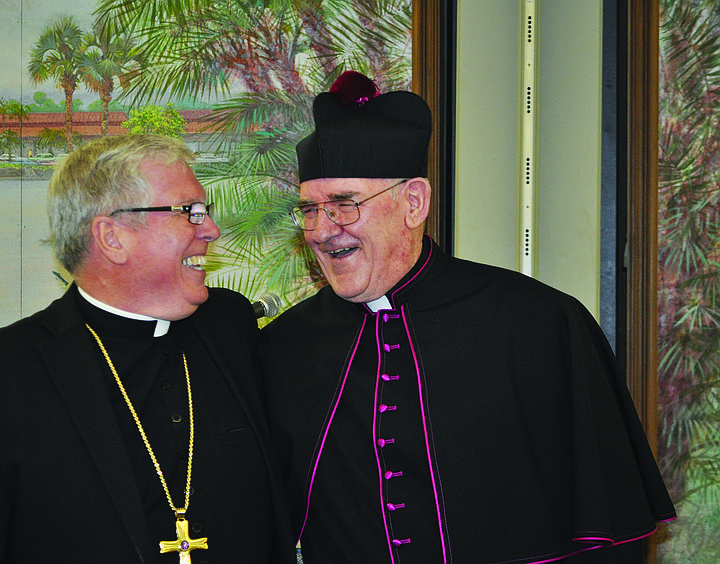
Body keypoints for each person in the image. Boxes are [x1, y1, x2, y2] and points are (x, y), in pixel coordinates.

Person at [259, 71, 677, 564]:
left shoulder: (539, 324)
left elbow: (611, 527)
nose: (323, 230)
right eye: (309, 209)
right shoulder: (284, 346)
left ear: (413, 202)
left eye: (344, 205)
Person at [0, 134, 295, 563]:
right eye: (188, 212)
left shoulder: (231, 325)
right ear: (112, 237)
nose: (211, 228)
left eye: (204, 211)